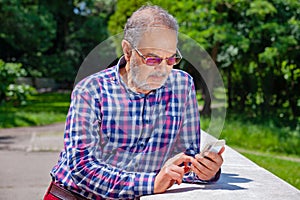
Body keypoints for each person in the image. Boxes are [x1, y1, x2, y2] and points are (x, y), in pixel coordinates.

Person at [44, 5, 224, 200]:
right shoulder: (90, 91)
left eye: (171, 59)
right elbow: (81, 167)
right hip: (74, 195)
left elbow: (184, 159)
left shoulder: (182, 86)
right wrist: (151, 184)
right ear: (128, 51)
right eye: (153, 59)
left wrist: (205, 171)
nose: (163, 69)